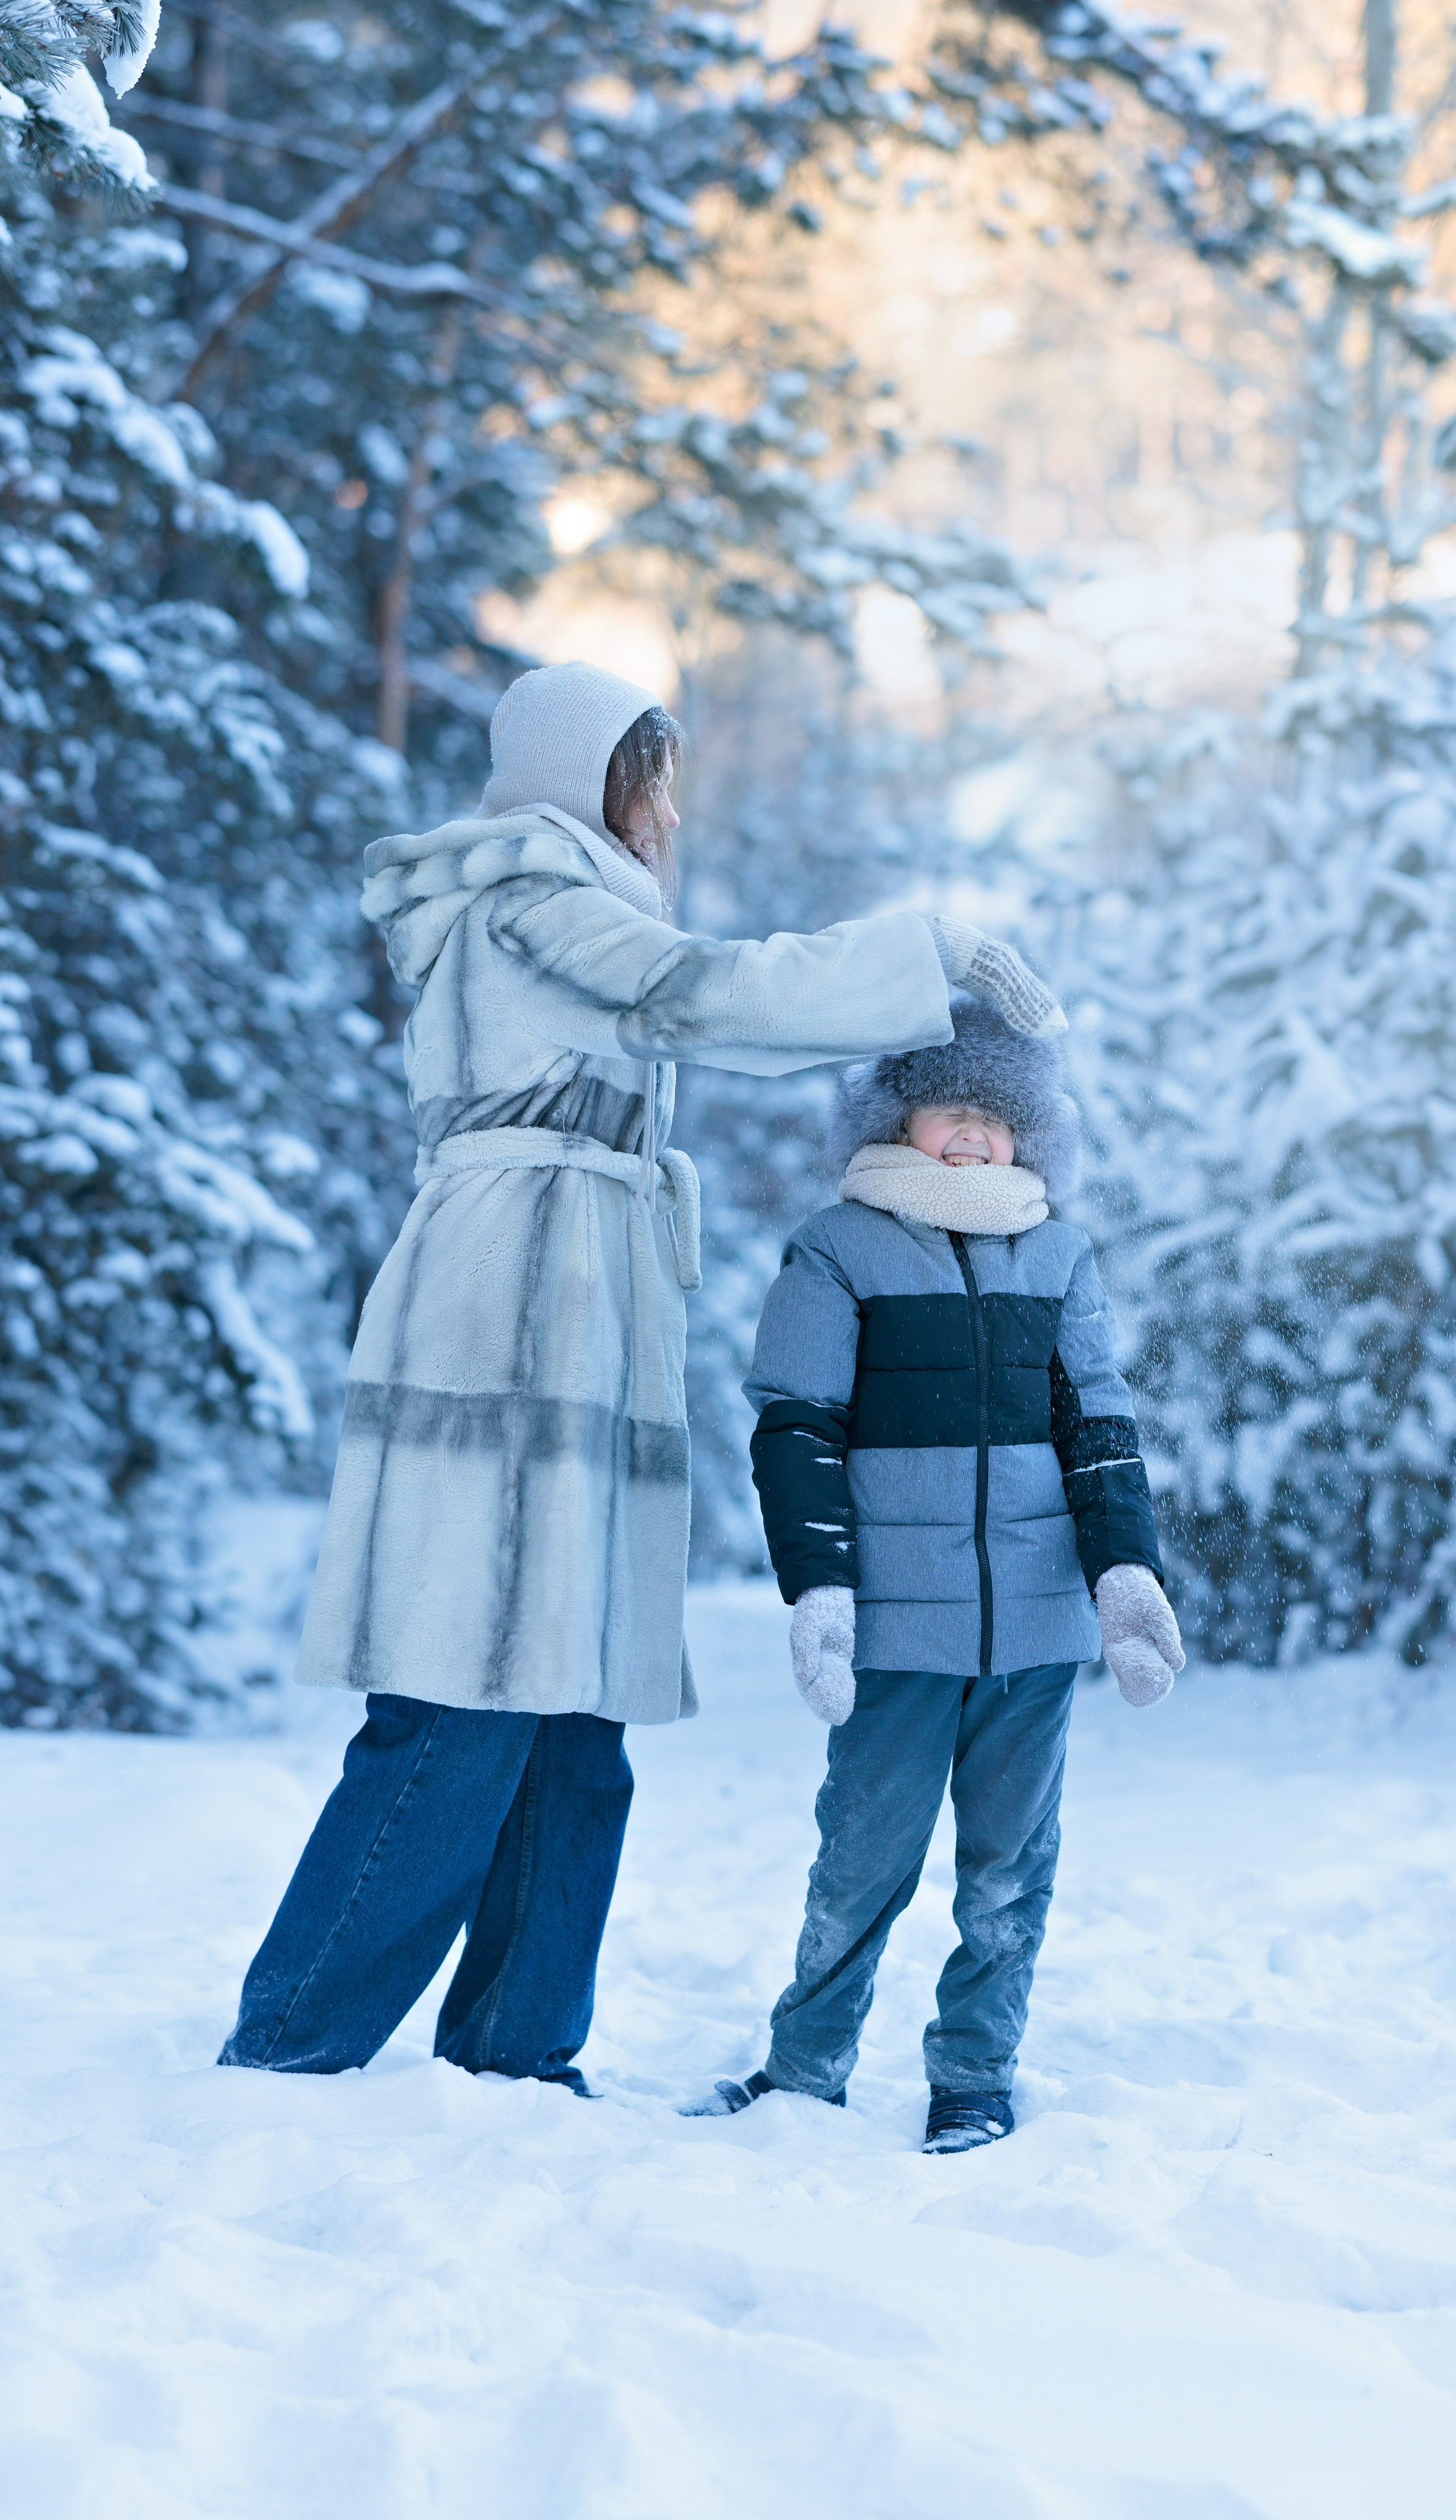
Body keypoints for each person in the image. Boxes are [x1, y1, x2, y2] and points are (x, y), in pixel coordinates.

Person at [217, 661, 1063, 2087]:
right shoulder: (526, 890)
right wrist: (920, 949)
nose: (670, 806)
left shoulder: (575, 898)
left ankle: (518, 2050)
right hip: (510, 1301)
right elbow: (695, 997)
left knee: (573, 1709)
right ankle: (294, 2040)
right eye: (651, 772)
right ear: (591, 774)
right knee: (460, 1694)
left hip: (586, 1288)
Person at [685, 1001, 1184, 2152]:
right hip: (900, 1632)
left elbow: (1096, 1422)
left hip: (1036, 1630)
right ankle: (805, 2068)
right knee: (862, 1863)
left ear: (1032, 1137)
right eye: (951, 1106)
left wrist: (1123, 1574)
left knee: (1010, 1873)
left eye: (998, 1115)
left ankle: (975, 2076)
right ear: (895, 1115)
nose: (972, 1134)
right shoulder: (839, 1245)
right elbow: (798, 1423)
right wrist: (820, 1586)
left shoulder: (1059, 1255)